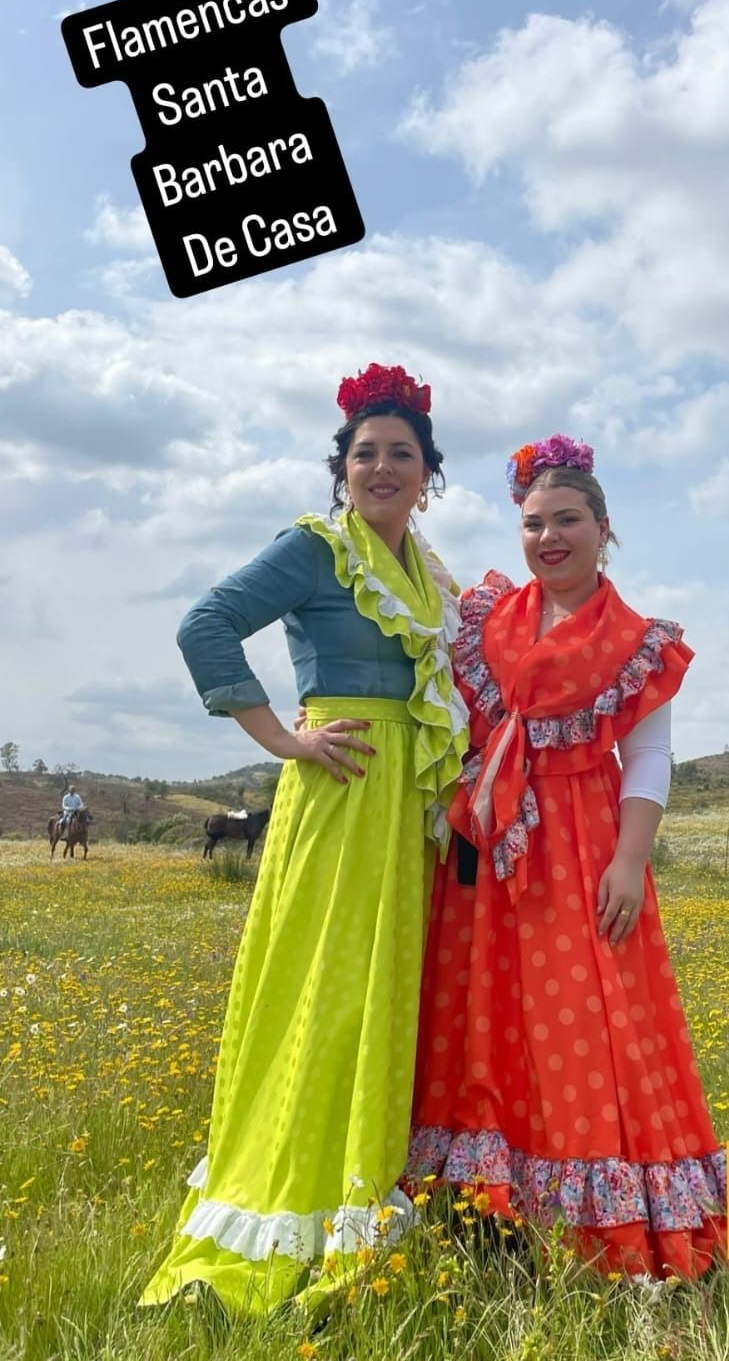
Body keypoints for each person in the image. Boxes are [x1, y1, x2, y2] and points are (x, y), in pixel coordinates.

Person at [140, 363, 468, 1317]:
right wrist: (284, 737)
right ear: (341, 468)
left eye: (400, 453)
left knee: (384, 991)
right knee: (325, 987)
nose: (381, 467)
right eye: (364, 453)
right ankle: (297, 1190)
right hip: (340, 792)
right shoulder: (316, 548)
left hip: (404, 808)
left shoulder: (426, 569)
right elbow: (206, 623)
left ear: (426, 470)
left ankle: (368, 1173)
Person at [405, 435, 727, 1281]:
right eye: (532, 521)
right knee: (481, 1018)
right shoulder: (489, 617)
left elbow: (649, 757)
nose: (548, 536)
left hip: (582, 845)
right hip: (484, 858)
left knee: (589, 1024)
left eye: (566, 520)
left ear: (602, 526)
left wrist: (630, 859)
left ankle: (604, 1225)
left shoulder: (633, 639)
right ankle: (481, 1214)